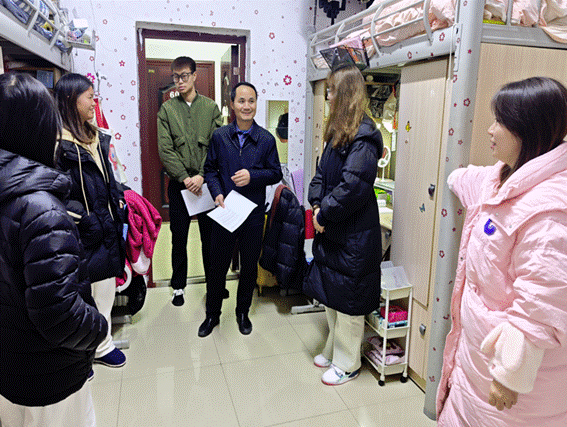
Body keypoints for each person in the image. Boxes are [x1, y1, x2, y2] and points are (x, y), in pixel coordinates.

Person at [436, 77, 567, 427]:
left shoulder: (551, 213)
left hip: (514, 392)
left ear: (528, 130)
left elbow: (540, 306)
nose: (490, 130)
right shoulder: (505, 178)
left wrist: (510, 375)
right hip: (475, 366)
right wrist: (453, 178)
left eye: (500, 122)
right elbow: (472, 181)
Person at [0, 72, 107, 426]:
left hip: (11, 364)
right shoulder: (39, 208)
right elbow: (60, 315)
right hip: (47, 371)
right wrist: (99, 329)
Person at [303, 64, 383, 386]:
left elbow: (353, 187)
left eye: (332, 90)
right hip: (333, 229)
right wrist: (316, 205)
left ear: (346, 94)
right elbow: (321, 176)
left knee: (349, 302)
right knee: (332, 295)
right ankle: (334, 350)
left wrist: (323, 216)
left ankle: (348, 363)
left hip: (354, 236)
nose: (328, 96)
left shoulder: (365, 137)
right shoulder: (337, 132)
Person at [55, 73, 127, 369]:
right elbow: (55, 192)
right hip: (82, 232)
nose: (93, 102)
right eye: (89, 96)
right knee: (83, 297)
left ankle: (102, 345)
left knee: (105, 290)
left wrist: (118, 198)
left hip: (106, 227)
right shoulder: (58, 143)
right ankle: (82, 355)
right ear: (71, 100)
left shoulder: (96, 136)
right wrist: (84, 220)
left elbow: (110, 176)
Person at [200, 82, 283, 337]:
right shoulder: (220, 136)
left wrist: (252, 176)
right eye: (241, 101)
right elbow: (210, 170)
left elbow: (275, 173)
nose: (247, 106)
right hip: (225, 211)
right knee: (217, 266)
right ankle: (212, 314)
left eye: (251, 101)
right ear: (232, 104)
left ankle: (242, 312)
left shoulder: (266, 139)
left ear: (256, 104)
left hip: (253, 215)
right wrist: (217, 192)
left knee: (248, 267)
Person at [157, 56, 223, 307]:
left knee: (210, 238)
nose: (180, 81)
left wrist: (202, 175)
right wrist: (185, 178)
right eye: (175, 76)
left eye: (184, 75)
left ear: (195, 76)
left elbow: (217, 145)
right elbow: (165, 150)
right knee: (179, 237)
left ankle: (213, 284)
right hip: (179, 185)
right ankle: (178, 287)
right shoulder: (167, 110)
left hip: (206, 184)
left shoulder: (211, 108)